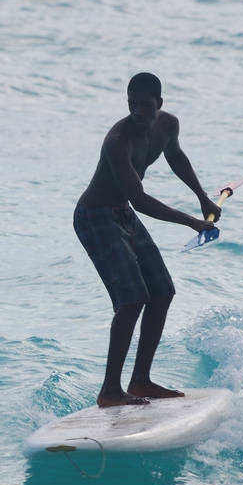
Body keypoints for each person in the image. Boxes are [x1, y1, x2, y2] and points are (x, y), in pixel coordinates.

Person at [74, 72, 221, 407]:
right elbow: (139, 199)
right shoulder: (118, 141)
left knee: (162, 291)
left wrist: (202, 198)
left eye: (145, 105)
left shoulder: (168, 126)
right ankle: (110, 390)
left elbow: (176, 157)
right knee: (131, 300)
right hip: (95, 217)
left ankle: (140, 381)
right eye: (132, 104)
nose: (138, 111)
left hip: (122, 214)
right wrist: (192, 222)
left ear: (159, 104)